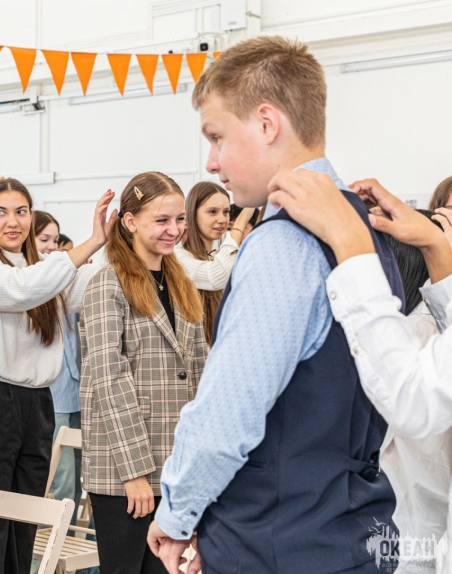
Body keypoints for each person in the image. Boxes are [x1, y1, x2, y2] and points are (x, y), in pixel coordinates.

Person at [145, 36, 403, 574]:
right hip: (349, 526)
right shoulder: (369, 229)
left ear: (267, 123)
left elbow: (229, 413)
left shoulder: (283, 243)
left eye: (217, 137)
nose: (211, 162)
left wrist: (178, 513)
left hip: (276, 540)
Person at [267, 173, 452, 573]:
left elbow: (410, 399)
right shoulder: (427, 322)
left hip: (408, 529)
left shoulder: (417, 334)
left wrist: (350, 246)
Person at [0, 178, 114, 573]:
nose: (13, 221)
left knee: (24, 521)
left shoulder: (43, 268)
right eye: (1, 212)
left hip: (37, 403)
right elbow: (19, 289)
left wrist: (121, 242)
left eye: (21, 212)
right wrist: (91, 243)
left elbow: (88, 287)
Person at [81, 172, 208, 574]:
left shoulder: (181, 282)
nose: (174, 230)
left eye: (180, 219)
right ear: (131, 221)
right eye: (162, 220)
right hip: (126, 470)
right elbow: (109, 379)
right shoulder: (107, 285)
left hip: (174, 466)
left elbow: (200, 370)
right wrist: (135, 472)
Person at [33, 210, 82, 514]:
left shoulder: (67, 279)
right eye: (44, 239)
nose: (51, 247)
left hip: (78, 391)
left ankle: (75, 543)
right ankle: (44, 545)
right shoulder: (28, 282)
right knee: (59, 481)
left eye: (54, 240)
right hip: (53, 394)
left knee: (78, 481)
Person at [176, 182, 255, 345]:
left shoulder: (218, 257)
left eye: (226, 212)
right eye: (212, 212)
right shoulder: (178, 258)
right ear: (192, 214)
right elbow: (215, 277)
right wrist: (241, 222)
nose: (222, 219)